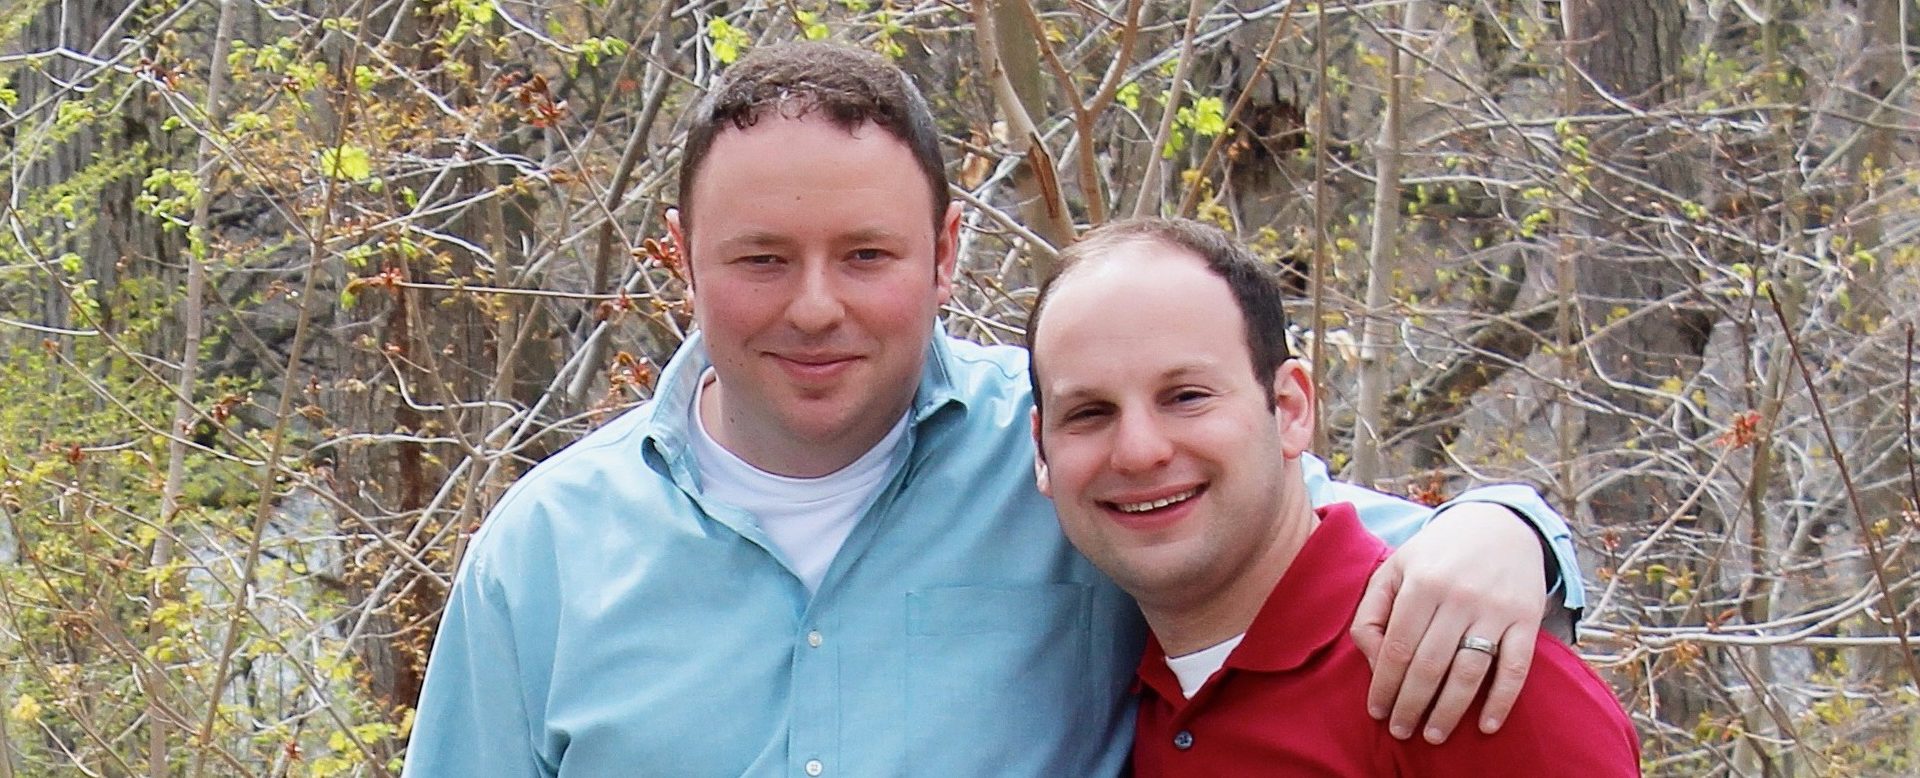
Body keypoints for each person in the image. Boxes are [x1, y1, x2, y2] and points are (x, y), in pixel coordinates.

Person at [402, 42, 1588, 777]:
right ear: (679, 259)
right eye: (761, 258)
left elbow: (1306, 540)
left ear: (947, 252)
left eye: (867, 254)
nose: (815, 307)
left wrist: (1512, 531)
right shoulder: (545, 555)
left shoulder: (1080, 453)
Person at [1026, 217, 1639, 775]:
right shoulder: (1120, 704)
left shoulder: (1459, 678)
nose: (1138, 451)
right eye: (1089, 412)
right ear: (1042, 452)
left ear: (1290, 408)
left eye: (1187, 397)